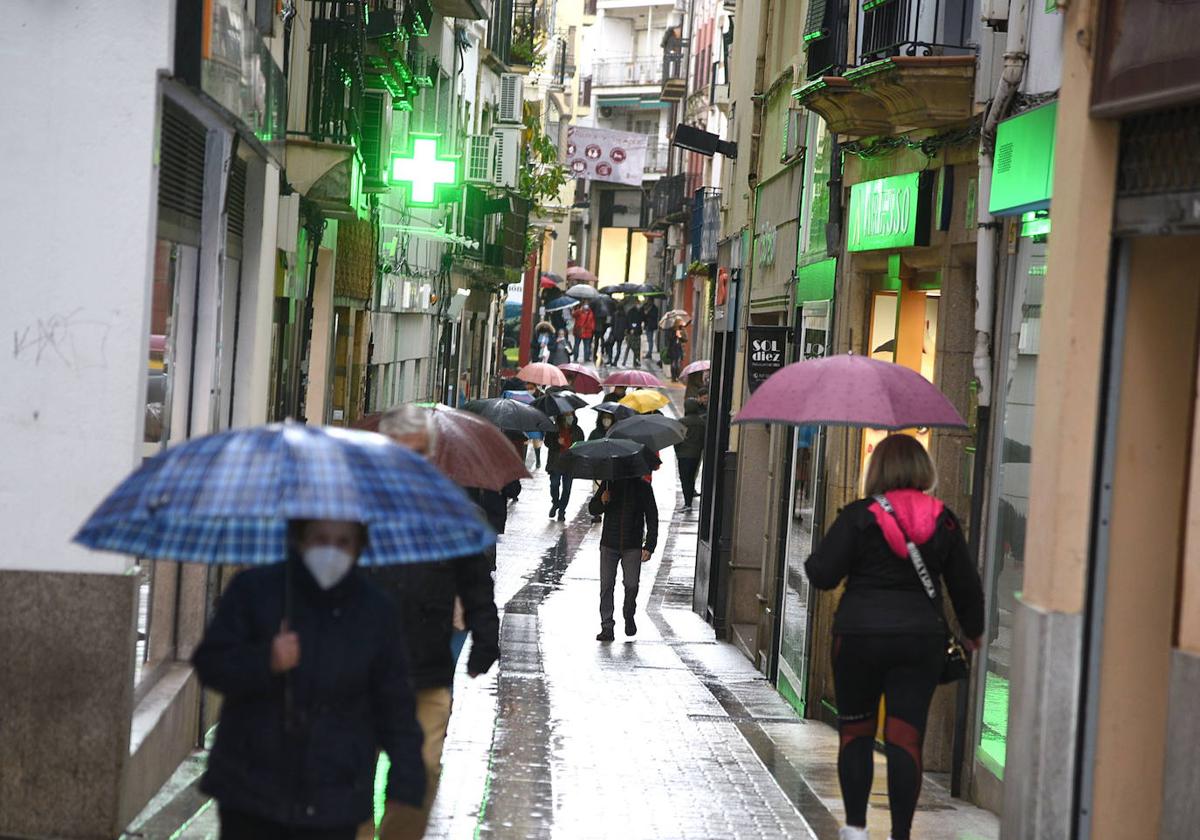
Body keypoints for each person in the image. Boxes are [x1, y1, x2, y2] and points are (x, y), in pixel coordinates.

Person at [193, 518, 426, 840]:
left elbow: (394, 702)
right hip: (252, 791)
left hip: (334, 795)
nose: (331, 550)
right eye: (321, 539)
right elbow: (211, 664)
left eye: (343, 541)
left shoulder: (375, 612)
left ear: (358, 546)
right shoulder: (254, 591)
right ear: (300, 540)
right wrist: (266, 659)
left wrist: (406, 776)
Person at [804, 435, 985, 840]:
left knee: (856, 732)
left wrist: (822, 553)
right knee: (906, 737)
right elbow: (966, 585)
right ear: (923, 469)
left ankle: (855, 829)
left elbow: (823, 575)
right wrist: (973, 633)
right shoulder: (945, 518)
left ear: (878, 469)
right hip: (919, 639)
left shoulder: (858, 515)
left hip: (858, 637)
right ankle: (899, 834)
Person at [368, 406, 502, 840]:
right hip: (358, 672)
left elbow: (476, 582)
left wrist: (486, 636)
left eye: (417, 453)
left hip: (426, 667)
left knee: (421, 772)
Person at [587, 476, 658, 641]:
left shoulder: (643, 488)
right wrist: (603, 501)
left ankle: (628, 613)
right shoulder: (608, 483)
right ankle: (607, 626)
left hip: (632, 544)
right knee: (606, 586)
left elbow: (652, 517)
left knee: (632, 585)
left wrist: (649, 546)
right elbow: (593, 508)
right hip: (609, 544)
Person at [545, 411, 584, 521]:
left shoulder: (577, 431)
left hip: (570, 463)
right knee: (554, 484)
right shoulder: (554, 429)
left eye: (570, 414)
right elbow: (547, 442)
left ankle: (562, 510)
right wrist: (557, 442)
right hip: (556, 462)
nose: (569, 417)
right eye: (567, 415)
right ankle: (555, 503)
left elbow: (581, 445)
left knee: (566, 489)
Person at [675, 392, 706, 511]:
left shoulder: (682, 422)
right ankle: (689, 502)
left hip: (683, 454)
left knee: (684, 478)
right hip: (696, 454)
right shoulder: (702, 422)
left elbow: (677, 439)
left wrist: (678, 451)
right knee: (691, 477)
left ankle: (687, 503)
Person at [587, 411, 619, 523]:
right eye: (604, 418)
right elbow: (589, 448)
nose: (606, 420)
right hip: (598, 467)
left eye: (609, 418)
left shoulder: (617, 433)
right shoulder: (595, 434)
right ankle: (597, 513)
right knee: (597, 489)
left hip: (613, 468)